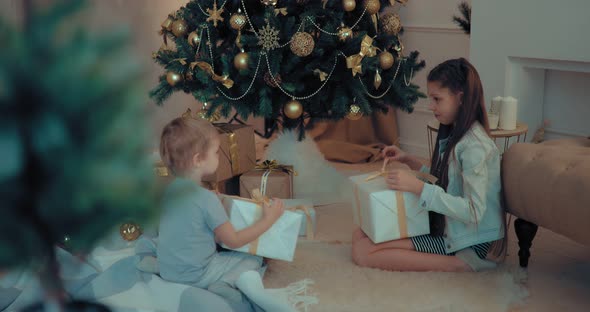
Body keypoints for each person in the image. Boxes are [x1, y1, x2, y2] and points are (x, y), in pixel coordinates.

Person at [351, 58, 505, 272]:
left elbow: (474, 211)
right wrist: (409, 160)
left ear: (460, 98)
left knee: (364, 252)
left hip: (467, 240)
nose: (430, 106)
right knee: (361, 234)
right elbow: (448, 183)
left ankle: (464, 264)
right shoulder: (454, 133)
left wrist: (419, 187)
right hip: (448, 227)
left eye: (436, 99)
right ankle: (454, 260)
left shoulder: (474, 147)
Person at [158, 117, 294, 311]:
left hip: (168, 271)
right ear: (198, 160)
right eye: (215, 152)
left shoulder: (170, 191)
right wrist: (269, 219)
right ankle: (224, 283)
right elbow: (234, 241)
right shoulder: (206, 199)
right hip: (197, 275)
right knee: (253, 258)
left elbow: (187, 224)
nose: (218, 157)